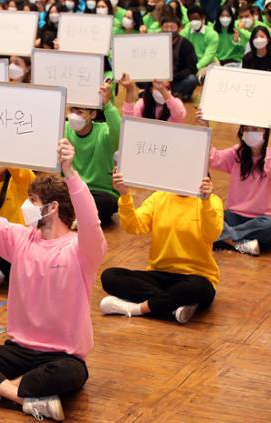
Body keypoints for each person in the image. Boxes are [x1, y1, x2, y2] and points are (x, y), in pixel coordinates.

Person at [0, 139, 106, 422]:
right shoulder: (19, 239)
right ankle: (22, 397)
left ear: (52, 208)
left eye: (33, 201)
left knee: (73, 374)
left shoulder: (82, 250)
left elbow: (91, 221)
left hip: (62, 358)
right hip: (17, 352)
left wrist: (71, 173)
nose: (26, 206)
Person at [100, 169, 223, 324]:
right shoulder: (159, 197)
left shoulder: (212, 201)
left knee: (198, 288)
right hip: (159, 273)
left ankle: (137, 309)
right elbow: (134, 226)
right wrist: (124, 195)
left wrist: (206, 202)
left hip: (196, 276)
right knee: (110, 276)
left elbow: (213, 234)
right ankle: (173, 305)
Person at [197, 111, 271, 255]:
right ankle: (237, 242)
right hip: (233, 216)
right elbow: (212, 157)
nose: (250, 132)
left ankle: (224, 238)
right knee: (202, 217)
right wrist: (205, 127)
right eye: (247, 129)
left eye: (256, 129)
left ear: (266, 132)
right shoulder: (236, 154)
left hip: (262, 220)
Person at [65, 83, 120, 225]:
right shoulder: (64, 129)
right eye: (72, 110)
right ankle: (83, 218)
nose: (74, 115)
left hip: (100, 191)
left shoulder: (103, 132)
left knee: (106, 203)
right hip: (72, 188)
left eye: (80, 112)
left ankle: (79, 218)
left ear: (93, 114)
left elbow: (119, 131)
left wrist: (107, 104)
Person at [119, 74, 187, 123]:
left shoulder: (176, 103)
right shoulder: (142, 104)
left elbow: (179, 117)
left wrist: (163, 91)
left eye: (167, 88)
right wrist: (129, 90)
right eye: (158, 88)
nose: (163, 90)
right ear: (151, 89)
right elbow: (129, 121)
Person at [162, 14, 198, 101]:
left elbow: (191, 68)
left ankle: (165, 94)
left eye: (172, 27)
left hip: (176, 80)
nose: (169, 30)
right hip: (158, 81)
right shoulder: (156, 42)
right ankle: (169, 94)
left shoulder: (186, 44)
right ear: (161, 27)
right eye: (166, 27)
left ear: (179, 28)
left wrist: (171, 79)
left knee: (192, 80)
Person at [180, 5, 219, 78]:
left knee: (216, 67)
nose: (194, 22)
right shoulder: (185, 32)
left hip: (208, 63)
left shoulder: (212, 34)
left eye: (196, 19)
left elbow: (208, 56)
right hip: (190, 64)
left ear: (203, 18)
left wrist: (196, 67)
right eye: (191, 20)